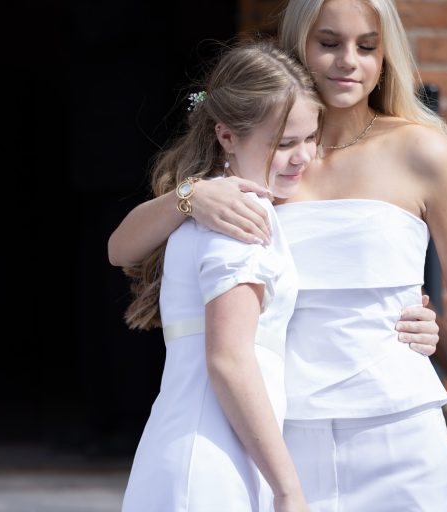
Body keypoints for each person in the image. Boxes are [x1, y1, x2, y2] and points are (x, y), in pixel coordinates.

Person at [109, 1, 447, 510]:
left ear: (386, 57)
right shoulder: (264, 156)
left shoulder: (423, 151)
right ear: (299, 44)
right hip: (281, 432)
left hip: (399, 426)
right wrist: (189, 196)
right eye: (329, 43)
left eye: (367, 46)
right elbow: (122, 248)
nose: (348, 60)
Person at [121, 40, 321, 512]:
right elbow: (229, 359)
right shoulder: (241, 214)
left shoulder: (207, 204)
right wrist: (288, 488)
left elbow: (118, 248)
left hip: (183, 446)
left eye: (311, 138)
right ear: (227, 136)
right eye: (284, 144)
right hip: (215, 462)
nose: (303, 157)